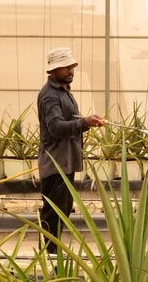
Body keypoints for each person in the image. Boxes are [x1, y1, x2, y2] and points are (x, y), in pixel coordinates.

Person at [37, 47, 105, 252]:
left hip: (65, 161)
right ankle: (49, 255)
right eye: (65, 67)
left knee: (63, 210)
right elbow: (56, 128)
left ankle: (52, 251)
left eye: (71, 66)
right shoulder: (49, 96)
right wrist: (84, 121)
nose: (70, 71)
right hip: (55, 163)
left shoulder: (64, 92)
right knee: (53, 212)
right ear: (53, 70)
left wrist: (87, 122)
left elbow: (71, 122)